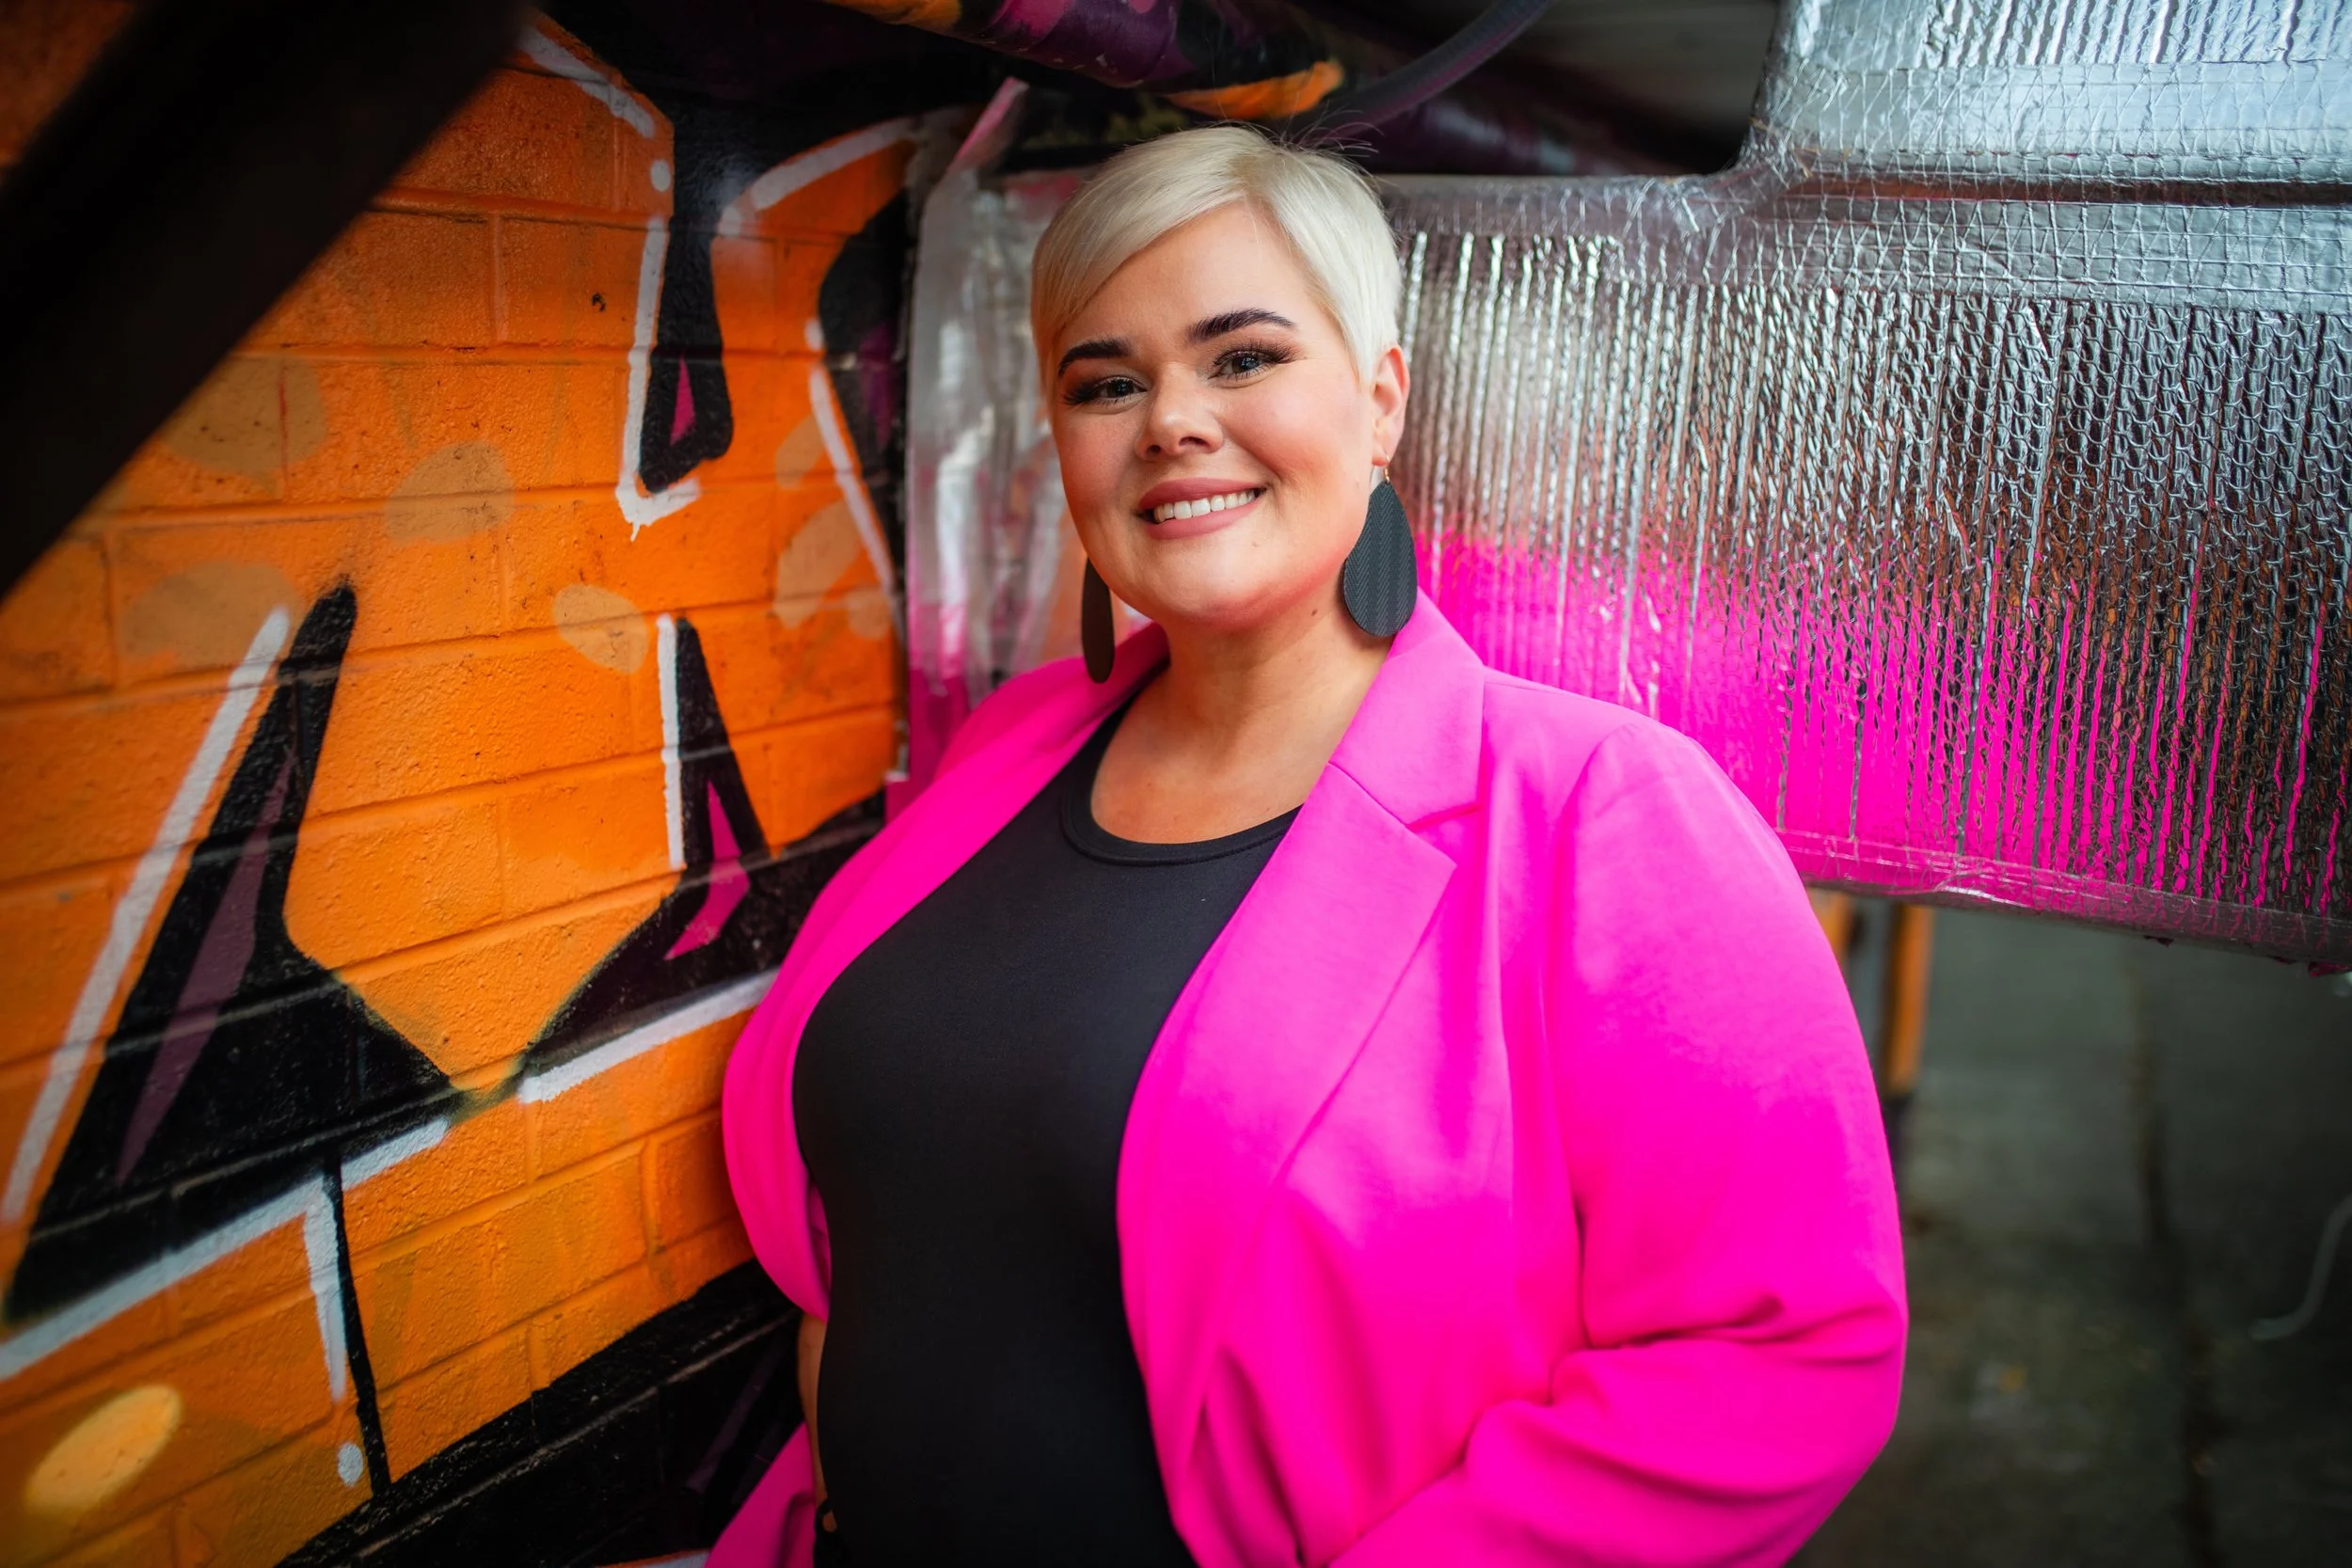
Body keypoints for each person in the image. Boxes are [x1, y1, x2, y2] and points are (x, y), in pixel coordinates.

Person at [714, 123, 1904, 1568]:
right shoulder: (1008, 751)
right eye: (1106, 381)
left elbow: (1781, 1348)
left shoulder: (1604, 815)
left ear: (1381, 396)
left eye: (1242, 356)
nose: (1170, 420)